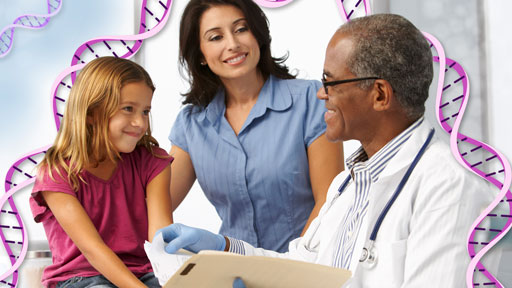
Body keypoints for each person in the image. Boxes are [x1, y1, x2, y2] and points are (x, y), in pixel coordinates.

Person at [158, 14, 495, 287]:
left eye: (330, 83)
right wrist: (225, 249)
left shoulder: (447, 185)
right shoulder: (347, 184)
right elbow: (304, 267)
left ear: (379, 95)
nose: (321, 95)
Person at [169, 0, 344, 252]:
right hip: (232, 273)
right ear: (201, 55)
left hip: (304, 269)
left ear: (258, 34)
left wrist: (289, 268)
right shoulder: (191, 124)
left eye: (241, 29)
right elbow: (152, 207)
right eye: (216, 37)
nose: (233, 44)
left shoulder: (310, 99)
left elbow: (328, 203)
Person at [29, 57, 173, 288]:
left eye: (145, 111)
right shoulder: (57, 173)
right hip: (79, 277)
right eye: (128, 109)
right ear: (91, 113)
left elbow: (161, 239)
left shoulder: (153, 162)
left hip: (144, 272)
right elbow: (93, 250)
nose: (140, 122)